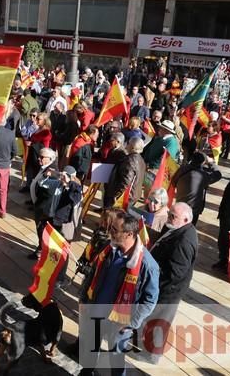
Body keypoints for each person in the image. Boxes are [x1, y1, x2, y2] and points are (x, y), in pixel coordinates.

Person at [77, 211, 159, 376]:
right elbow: (93, 274)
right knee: (90, 349)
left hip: (121, 323)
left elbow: (150, 300)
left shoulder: (147, 265)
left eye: (115, 230)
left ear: (129, 234)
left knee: (116, 358)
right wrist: (84, 299)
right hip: (96, 313)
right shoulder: (109, 248)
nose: (110, 232)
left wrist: (132, 322)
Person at [141, 202, 198, 363]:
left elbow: (175, 273)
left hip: (168, 291)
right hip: (161, 285)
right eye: (170, 214)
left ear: (186, 219)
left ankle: (152, 355)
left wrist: (153, 277)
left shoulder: (184, 242)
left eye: (174, 216)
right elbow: (162, 240)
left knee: (159, 322)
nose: (169, 218)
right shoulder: (175, 227)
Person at [169, 151, 222, 225]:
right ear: (203, 162)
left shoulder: (182, 169)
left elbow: (174, 182)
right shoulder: (202, 175)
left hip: (179, 205)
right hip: (192, 211)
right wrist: (211, 162)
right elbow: (218, 175)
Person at [103, 137, 146, 210]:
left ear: (132, 147)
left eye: (128, 143)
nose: (126, 145)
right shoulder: (141, 160)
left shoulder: (130, 160)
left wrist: (116, 195)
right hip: (134, 195)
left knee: (113, 216)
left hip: (125, 196)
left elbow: (126, 181)